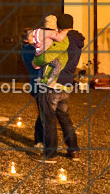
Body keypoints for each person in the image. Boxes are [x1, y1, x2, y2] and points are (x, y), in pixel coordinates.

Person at [35, 14, 84, 161]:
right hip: (66, 84)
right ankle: (74, 150)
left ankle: (50, 154)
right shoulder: (77, 40)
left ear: (59, 26)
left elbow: (47, 56)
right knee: (65, 118)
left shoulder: (64, 39)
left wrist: (35, 61)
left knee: (49, 119)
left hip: (53, 84)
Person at [19, 28, 44, 148]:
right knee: (43, 113)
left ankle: (42, 139)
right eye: (32, 36)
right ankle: (39, 140)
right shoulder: (28, 50)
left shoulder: (32, 48)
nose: (35, 37)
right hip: (37, 84)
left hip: (37, 83)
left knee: (44, 113)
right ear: (25, 39)